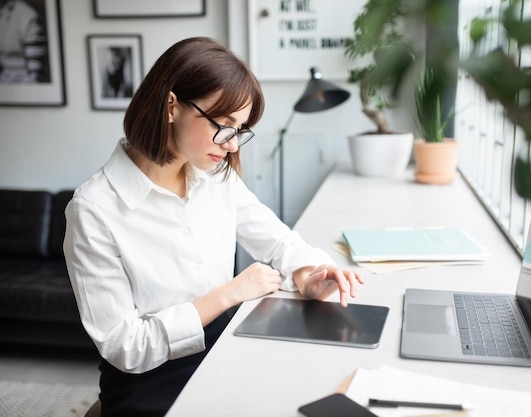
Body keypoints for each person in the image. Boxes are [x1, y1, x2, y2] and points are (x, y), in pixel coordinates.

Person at [63, 36, 364, 417]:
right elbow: (127, 346)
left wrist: (308, 273)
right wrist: (229, 293)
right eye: (224, 125)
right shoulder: (94, 209)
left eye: (240, 129)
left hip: (224, 347)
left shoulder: (216, 178)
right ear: (172, 105)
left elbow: (278, 241)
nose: (233, 145)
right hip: (151, 380)